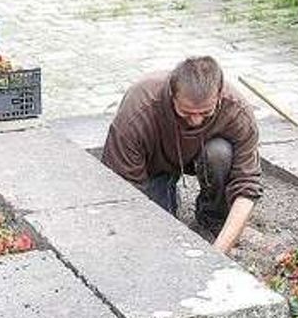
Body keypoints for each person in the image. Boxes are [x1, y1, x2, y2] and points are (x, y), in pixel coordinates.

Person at [102, 56, 262, 252]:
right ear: (172, 95)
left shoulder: (237, 111)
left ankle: (212, 216)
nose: (195, 121)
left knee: (220, 152)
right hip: (152, 165)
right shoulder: (138, 111)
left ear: (219, 95)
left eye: (205, 113)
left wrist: (218, 252)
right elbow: (121, 187)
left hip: (203, 154)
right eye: (185, 113)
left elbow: (247, 186)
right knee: (156, 233)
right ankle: (166, 186)